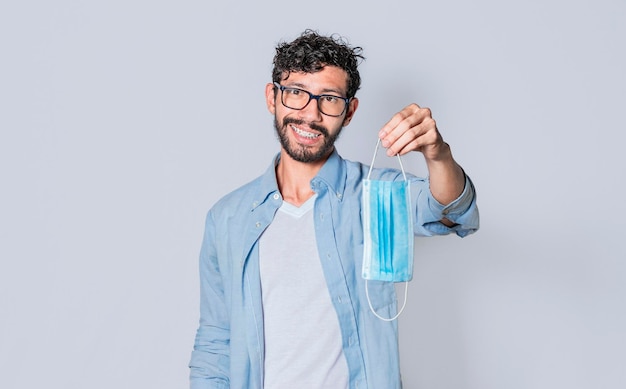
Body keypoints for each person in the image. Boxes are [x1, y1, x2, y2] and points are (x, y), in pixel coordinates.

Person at [189, 29, 479, 389]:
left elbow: (450, 209)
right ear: (272, 98)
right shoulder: (227, 218)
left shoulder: (376, 196)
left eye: (328, 98)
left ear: (350, 110)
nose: (310, 115)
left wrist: (439, 154)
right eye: (296, 93)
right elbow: (216, 340)